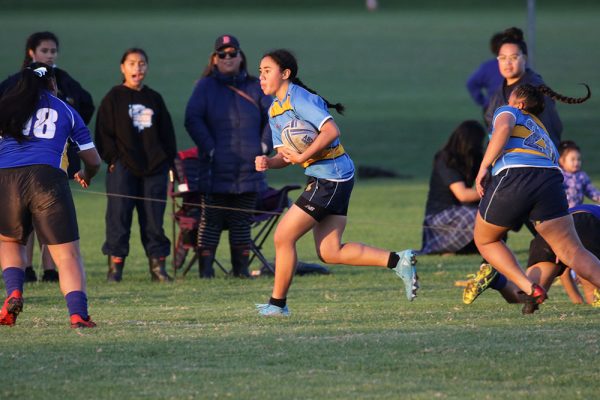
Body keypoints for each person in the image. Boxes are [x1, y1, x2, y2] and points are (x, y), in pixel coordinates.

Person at [254, 49, 419, 316]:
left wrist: (303, 156)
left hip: (330, 176)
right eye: (259, 72)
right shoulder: (274, 111)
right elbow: (286, 155)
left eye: (267, 71)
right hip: (331, 176)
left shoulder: (299, 97)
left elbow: (332, 131)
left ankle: (278, 305)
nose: (261, 77)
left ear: (285, 74)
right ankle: (398, 260)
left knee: (283, 236)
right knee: (330, 251)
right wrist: (269, 162)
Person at [473, 82, 599, 313]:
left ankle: (529, 287)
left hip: (516, 176)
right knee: (573, 252)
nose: (506, 101)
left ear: (520, 104)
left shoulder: (510, 111)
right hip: (551, 181)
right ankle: (531, 288)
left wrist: (483, 167)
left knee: (485, 240)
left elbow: (501, 131)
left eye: (510, 97)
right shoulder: (541, 130)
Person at [0, 63, 100, 328]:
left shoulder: (7, 105)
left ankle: (14, 293)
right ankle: (78, 314)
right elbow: (93, 159)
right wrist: (87, 175)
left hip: (6, 177)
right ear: (53, 84)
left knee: (10, 243)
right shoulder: (65, 109)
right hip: (46, 178)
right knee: (67, 255)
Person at [184, 34, 272, 278]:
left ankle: (241, 271)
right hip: (215, 165)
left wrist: (265, 146)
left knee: (241, 220)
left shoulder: (256, 86)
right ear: (214, 59)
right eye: (222, 54)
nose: (228, 58)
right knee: (210, 219)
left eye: (232, 53)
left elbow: (274, 117)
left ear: (241, 57)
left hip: (249, 165)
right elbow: (192, 118)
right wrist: (209, 147)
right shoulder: (204, 87)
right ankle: (206, 272)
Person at [95, 48, 177, 282]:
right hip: (123, 167)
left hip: (154, 168)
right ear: (123, 67)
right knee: (118, 217)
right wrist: (112, 159)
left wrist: (167, 161)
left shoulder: (154, 98)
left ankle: (158, 268)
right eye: (132, 63)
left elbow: (167, 133)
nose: (137, 68)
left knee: (154, 219)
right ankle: (115, 268)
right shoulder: (113, 97)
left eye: (142, 63)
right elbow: (103, 133)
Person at [463, 205, 600, 311]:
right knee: (593, 289)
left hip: (550, 228)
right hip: (585, 223)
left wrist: (578, 302)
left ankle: (497, 280)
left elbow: (565, 269)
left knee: (529, 292)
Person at [484, 27, 563, 147]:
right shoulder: (498, 93)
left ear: (525, 58)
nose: (507, 63)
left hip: (532, 159)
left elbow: (550, 130)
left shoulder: (535, 90)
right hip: (505, 161)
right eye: (502, 58)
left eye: (514, 57)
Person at [419, 120, 485, 255]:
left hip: (460, 211)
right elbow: (463, 195)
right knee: (483, 215)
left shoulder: (473, 158)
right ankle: (447, 247)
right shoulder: (445, 159)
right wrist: (494, 193)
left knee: (495, 210)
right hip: (440, 216)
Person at [466, 31, 504, 112]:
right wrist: (484, 102)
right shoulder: (490, 67)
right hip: (495, 109)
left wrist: (484, 102)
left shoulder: (488, 67)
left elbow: (471, 83)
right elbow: (471, 83)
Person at [558, 140, 600, 208]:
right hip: (563, 213)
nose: (577, 162)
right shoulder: (559, 176)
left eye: (578, 159)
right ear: (562, 161)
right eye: (573, 159)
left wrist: (598, 197)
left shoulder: (581, 176)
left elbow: (591, 191)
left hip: (578, 211)